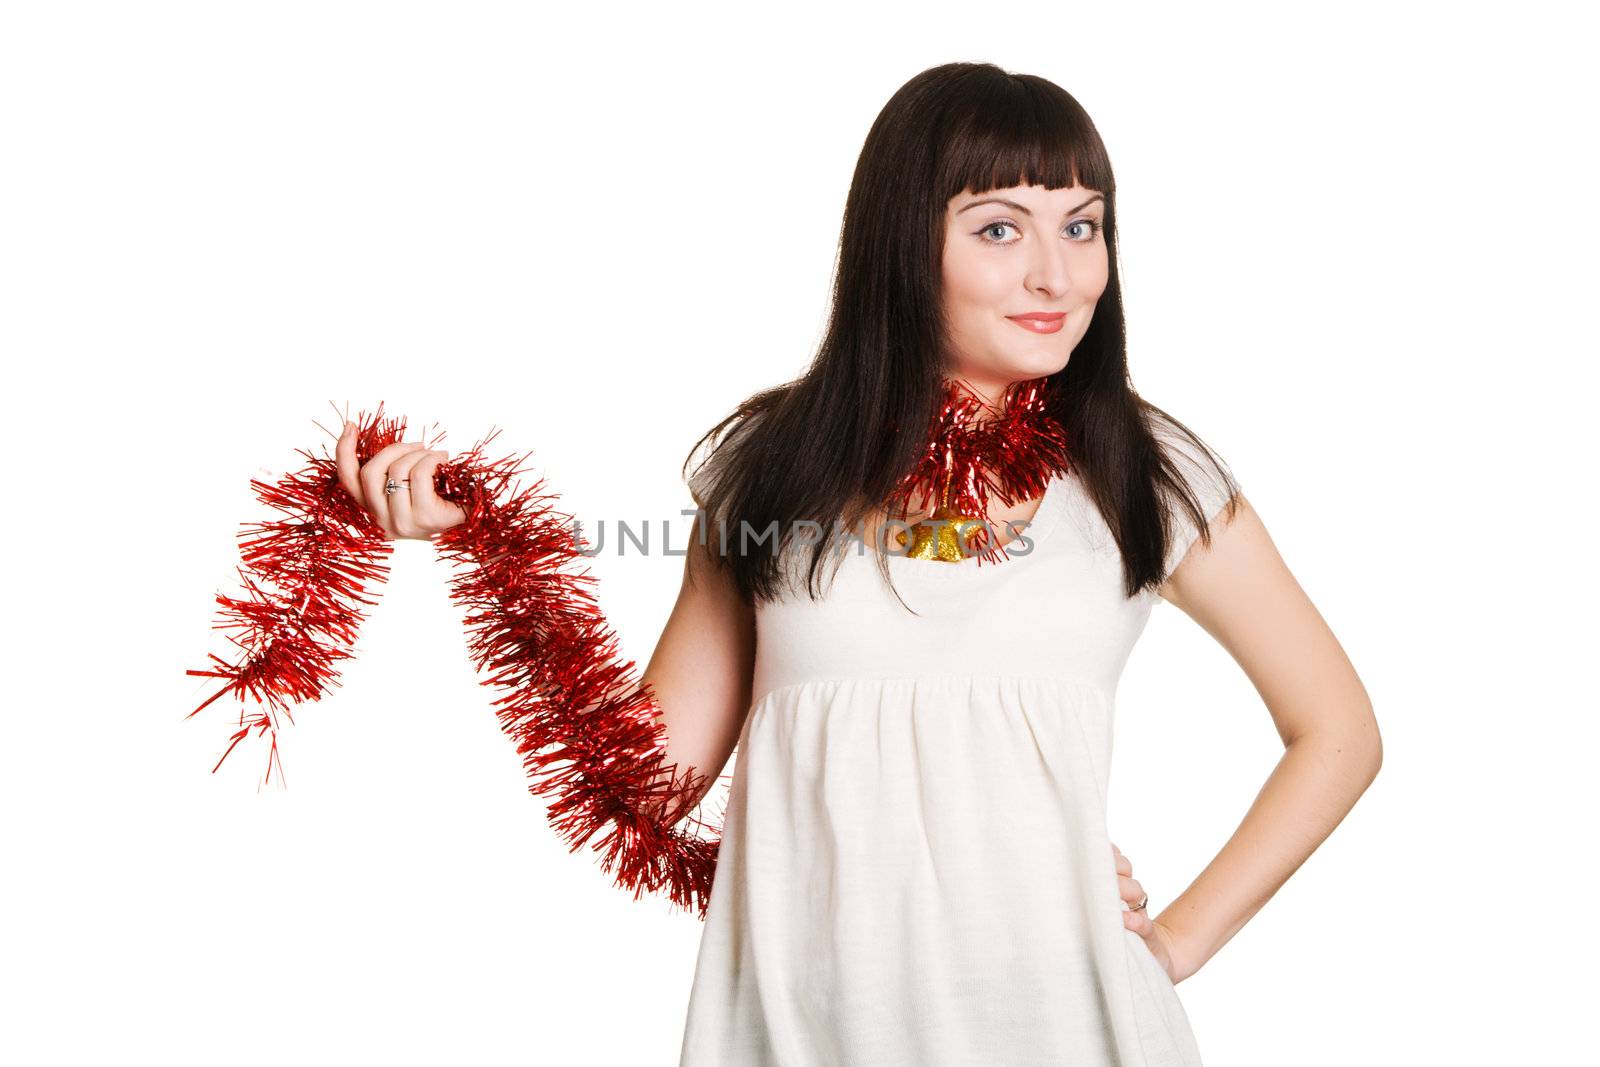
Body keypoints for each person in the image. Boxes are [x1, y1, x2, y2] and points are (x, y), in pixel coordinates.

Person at [336, 61, 1381, 1067]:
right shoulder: (771, 469)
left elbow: (1336, 729)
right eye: (998, 229)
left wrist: (1175, 943)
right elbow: (641, 785)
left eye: (1082, 225)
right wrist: (491, 544)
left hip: (1058, 1022)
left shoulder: (1145, 470)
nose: (1055, 273)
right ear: (901, 245)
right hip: (797, 1028)